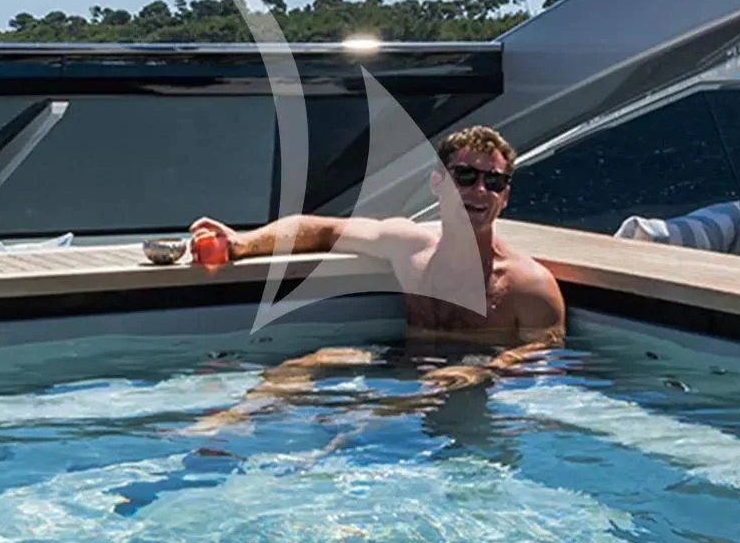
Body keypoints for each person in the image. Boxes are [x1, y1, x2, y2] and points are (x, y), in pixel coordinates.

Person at [185, 124, 566, 402]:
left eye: (493, 182)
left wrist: (480, 372)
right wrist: (239, 244)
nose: (479, 191)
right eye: (464, 176)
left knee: (354, 429)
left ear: (505, 196)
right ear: (438, 184)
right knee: (305, 365)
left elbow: (547, 354)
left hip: (469, 386)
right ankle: (231, 424)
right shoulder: (408, 245)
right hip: (402, 363)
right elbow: (320, 230)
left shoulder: (527, 285)